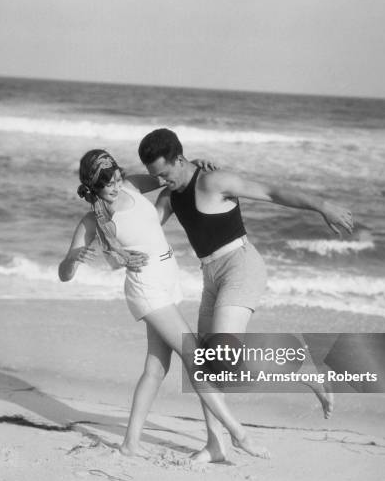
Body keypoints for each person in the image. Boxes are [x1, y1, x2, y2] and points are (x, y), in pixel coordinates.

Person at [138, 128, 354, 463]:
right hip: (211, 275)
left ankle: (302, 369)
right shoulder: (169, 195)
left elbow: (271, 191)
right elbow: (144, 231)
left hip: (241, 266)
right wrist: (111, 200)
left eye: (164, 173)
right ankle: (215, 445)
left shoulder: (212, 181)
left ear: (179, 159)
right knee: (205, 364)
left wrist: (322, 205)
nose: (162, 181)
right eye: (156, 176)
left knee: (223, 354)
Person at [58, 149, 269, 460]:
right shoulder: (92, 221)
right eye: (108, 185)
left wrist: (199, 162)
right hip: (146, 289)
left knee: (156, 368)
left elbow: (170, 174)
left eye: (117, 178)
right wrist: (73, 259)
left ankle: (130, 444)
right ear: (93, 188)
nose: (116, 186)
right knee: (194, 354)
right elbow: (64, 273)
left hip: (167, 281)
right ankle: (238, 434)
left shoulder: (131, 185)